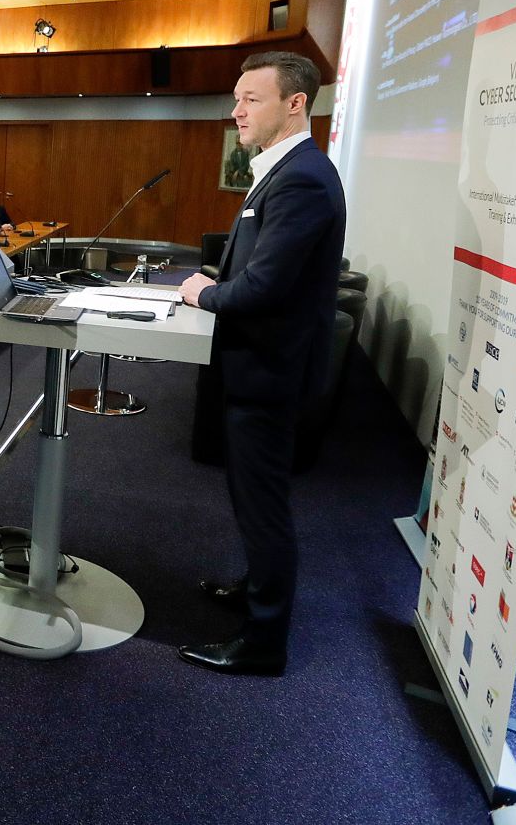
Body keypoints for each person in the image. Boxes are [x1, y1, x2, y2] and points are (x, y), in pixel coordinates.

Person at [175, 51, 347, 677]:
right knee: (251, 497)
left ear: (294, 103)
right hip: (260, 366)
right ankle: (255, 590)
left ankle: (265, 640)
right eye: (237, 98)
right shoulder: (285, 171)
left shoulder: (302, 177)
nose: (237, 109)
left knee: (263, 504)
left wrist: (204, 293)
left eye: (251, 98)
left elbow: (266, 286)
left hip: (270, 374)